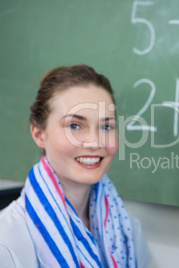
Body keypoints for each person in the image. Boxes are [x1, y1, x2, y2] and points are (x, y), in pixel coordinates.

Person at [0, 65, 150, 268]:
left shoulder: (128, 231)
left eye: (106, 126)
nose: (94, 142)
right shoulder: (6, 243)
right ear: (39, 134)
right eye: (74, 126)